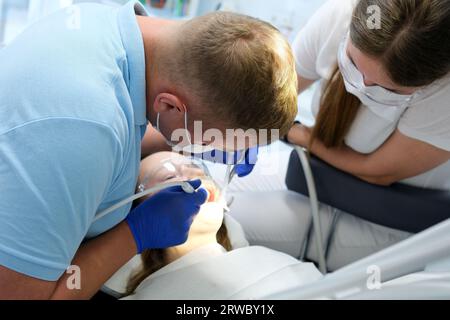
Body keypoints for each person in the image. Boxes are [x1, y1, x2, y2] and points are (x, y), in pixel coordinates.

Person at [0, 1, 298, 299]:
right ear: (168, 105)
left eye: (209, 147)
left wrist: (189, 139)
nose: (193, 156)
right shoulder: (81, 133)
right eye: (208, 142)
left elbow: (117, 124)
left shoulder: (115, 27)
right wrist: (134, 234)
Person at [212, 0, 450, 270]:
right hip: (318, 172)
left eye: (388, 89)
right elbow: (273, 96)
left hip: (387, 215)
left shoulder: (446, 92)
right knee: (208, 186)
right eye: (352, 62)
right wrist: (200, 133)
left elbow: (377, 173)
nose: (362, 85)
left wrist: (300, 136)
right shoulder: (339, 15)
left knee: (217, 223)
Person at [101, 152, 321, 300]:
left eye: (197, 169)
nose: (193, 177)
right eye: (169, 176)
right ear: (142, 216)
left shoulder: (272, 259)